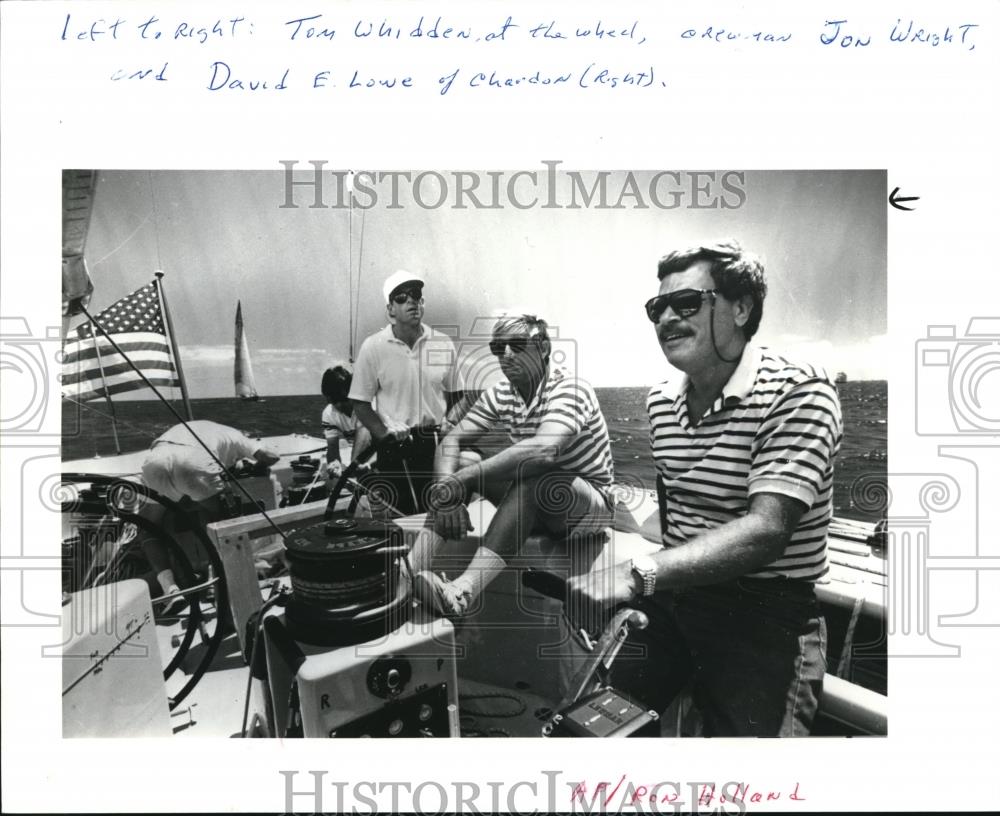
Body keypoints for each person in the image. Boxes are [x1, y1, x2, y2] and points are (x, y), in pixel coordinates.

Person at [566, 239, 843, 737]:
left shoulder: (799, 389)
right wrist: (651, 591)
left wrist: (635, 575)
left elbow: (766, 531)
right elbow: (673, 506)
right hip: (676, 601)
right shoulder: (660, 403)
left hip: (767, 618)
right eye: (658, 307)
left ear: (741, 308)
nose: (667, 317)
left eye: (687, 302)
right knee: (589, 737)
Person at [411, 313, 616, 618]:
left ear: (543, 347)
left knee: (533, 476)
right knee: (464, 460)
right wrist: (447, 493)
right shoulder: (500, 394)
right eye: (498, 348)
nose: (506, 355)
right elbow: (450, 440)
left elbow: (544, 450)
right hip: (541, 499)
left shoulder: (570, 388)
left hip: (588, 506)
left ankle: (463, 592)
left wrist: (462, 480)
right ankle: (410, 569)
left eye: (517, 345)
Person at [349, 270, 472, 515]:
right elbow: (360, 404)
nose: (412, 301)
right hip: (393, 446)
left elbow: (460, 396)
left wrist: (451, 421)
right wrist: (383, 433)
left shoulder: (442, 343)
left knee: (437, 512)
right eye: (402, 298)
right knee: (400, 517)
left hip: (436, 442)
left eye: (416, 295)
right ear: (390, 309)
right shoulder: (373, 347)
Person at [136, 420, 280, 612]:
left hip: (156, 462)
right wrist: (257, 466)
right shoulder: (235, 435)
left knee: (148, 528)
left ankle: (170, 589)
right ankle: (217, 585)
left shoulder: (187, 428)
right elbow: (271, 456)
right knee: (222, 527)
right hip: (195, 464)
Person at [320, 364, 371, 477]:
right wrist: (335, 464)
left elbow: (365, 433)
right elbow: (332, 448)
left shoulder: (368, 405)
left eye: (344, 400)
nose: (340, 406)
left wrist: (354, 466)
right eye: (334, 402)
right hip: (361, 463)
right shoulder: (329, 414)